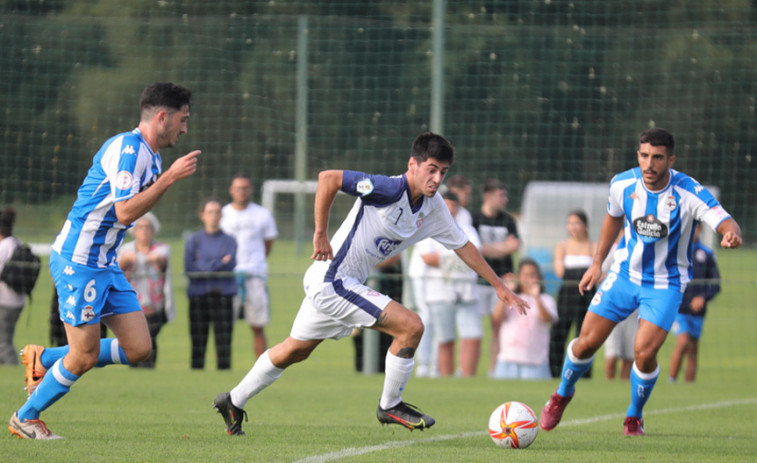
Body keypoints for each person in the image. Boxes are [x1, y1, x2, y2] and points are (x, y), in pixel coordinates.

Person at [212, 132, 530, 436]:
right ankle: (390, 405)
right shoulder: (387, 189)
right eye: (431, 169)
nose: (436, 178)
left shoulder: (434, 208)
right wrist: (320, 232)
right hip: (332, 280)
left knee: (295, 351)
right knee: (411, 327)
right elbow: (328, 179)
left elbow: (463, 246)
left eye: (443, 172)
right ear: (413, 165)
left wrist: (500, 285)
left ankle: (233, 401)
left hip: (340, 284)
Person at [9, 82, 200, 440]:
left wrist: (165, 176)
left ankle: (44, 358)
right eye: (182, 120)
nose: (185, 128)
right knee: (82, 356)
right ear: (162, 117)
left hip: (104, 263)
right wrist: (169, 179)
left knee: (139, 348)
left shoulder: (152, 155)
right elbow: (125, 210)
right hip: (78, 262)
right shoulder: (129, 150)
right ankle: (25, 417)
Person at [540, 128, 742, 437]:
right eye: (645, 155)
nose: (650, 164)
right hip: (623, 276)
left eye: (658, 158)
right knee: (586, 343)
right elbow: (612, 217)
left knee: (644, 353)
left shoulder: (688, 191)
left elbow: (722, 218)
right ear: (638, 155)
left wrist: (731, 233)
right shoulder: (622, 184)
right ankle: (562, 393)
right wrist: (597, 264)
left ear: (670, 160)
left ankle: (634, 415)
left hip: (666, 284)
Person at [415, 191, 483, 377]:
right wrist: (461, 259)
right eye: (447, 205)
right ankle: (446, 379)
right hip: (438, 291)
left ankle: (467, 379)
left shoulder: (467, 230)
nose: (451, 209)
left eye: (454, 206)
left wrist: (446, 259)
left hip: (466, 291)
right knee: (445, 339)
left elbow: (477, 256)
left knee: (473, 336)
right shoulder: (427, 228)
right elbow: (427, 258)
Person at [221, 173, 278, 358]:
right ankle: (223, 366)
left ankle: (261, 367)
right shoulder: (223, 214)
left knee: (257, 326)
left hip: (254, 276)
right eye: (238, 188)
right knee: (224, 327)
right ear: (231, 190)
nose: (242, 192)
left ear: (251, 190)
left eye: (245, 188)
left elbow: (268, 244)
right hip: (228, 278)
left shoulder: (262, 214)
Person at [472, 178, 520, 375]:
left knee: (498, 327)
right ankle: (468, 372)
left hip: (501, 282)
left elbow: (514, 246)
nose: (505, 200)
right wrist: (502, 248)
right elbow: (473, 249)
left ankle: (494, 370)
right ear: (488, 196)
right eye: (501, 195)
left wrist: (485, 249)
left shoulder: (508, 220)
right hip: (477, 281)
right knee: (473, 331)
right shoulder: (474, 219)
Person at [185, 199, 238, 370]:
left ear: (221, 215)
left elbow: (229, 265)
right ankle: (196, 374)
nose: (213, 216)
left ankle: (224, 377)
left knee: (224, 341)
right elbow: (190, 268)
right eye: (209, 212)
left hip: (223, 295)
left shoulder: (229, 240)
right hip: (199, 295)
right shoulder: (194, 240)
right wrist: (218, 262)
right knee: (198, 340)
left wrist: (203, 264)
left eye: (217, 212)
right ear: (202, 215)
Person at [118, 212, 174, 368]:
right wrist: (125, 261)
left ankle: (148, 366)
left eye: (148, 227)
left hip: (154, 304)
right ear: (134, 231)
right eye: (140, 227)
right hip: (132, 303)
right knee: (134, 337)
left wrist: (151, 258)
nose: (144, 231)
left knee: (149, 336)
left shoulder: (161, 249)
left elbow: (163, 260)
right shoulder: (126, 250)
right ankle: (134, 366)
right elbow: (117, 269)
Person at [668, 223, 721, 383]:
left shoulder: (706, 254)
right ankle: (672, 380)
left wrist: (703, 297)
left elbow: (716, 284)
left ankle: (689, 386)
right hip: (679, 308)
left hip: (698, 311)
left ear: (700, 229)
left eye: (695, 227)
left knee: (693, 348)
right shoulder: (674, 251)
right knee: (683, 341)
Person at [492, 258, 558, 380]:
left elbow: (547, 318)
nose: (529, 279)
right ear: (519, 277)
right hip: (507, 360)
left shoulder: (546, 299)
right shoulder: (511, 298)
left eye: (532, 275)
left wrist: (536, 298)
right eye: (525, 275)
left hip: (536, 362)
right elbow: (496, 319)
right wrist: (506, 292)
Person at [549, 210, 596, 378]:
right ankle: (554, 372)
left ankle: (583, 373)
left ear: (585, 226)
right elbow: (560, 271)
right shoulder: (563, 246)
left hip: (587, 296)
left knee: (584, 336)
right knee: (558, 333)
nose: (573, 227)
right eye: (570, 223)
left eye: (577, 223)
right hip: (567, 295)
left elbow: (598, 274)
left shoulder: (593, 246)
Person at [0, 207, 26, 365]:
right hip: (17, 300)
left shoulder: (3, 247)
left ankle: (13, 369)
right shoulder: (17, 242)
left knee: (3, 342)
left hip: (5, 302)